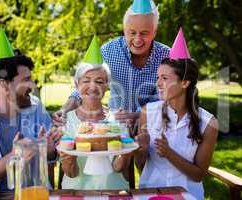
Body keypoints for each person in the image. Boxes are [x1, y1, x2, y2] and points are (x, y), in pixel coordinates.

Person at [0, 29, 61, 200]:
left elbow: (52, 158)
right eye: (26, 80)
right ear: (4, 84)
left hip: (35, 195)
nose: (33, 86)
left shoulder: (36, 109)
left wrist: (49, 151)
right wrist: (14, 156)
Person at [53, 0, 170, 130]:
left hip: (153, 126)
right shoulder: (109, 51)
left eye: (144, 33)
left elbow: (169, 100)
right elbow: (85, 82)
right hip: (115, 126)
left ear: (154, 32)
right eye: (132, 32)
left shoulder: (166, 56)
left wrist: (138, 115)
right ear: (124, 30)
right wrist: (65, 109)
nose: (137, 39)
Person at [135, 29, 218, 199]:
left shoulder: (208, 123)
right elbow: (141, 166)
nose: (158, 83)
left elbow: (198, 175)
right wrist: (140, 151)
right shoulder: (147, 113)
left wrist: (169, 153)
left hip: (188, 195)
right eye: (158, 77)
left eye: (165, 78)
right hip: (150, 194)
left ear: (185, 82)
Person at [59, 36, 130, 190]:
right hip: (77, 193)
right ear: (77, 85)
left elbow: (119, 167)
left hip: (113, 192)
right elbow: (71, 173)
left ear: (107, 86)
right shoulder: (66, 121)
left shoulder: (118, 118)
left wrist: (126, 155)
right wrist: (68, 161)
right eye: (86, 81)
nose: (92, 87)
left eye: (99, 81)